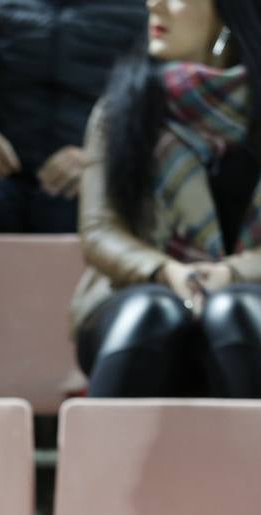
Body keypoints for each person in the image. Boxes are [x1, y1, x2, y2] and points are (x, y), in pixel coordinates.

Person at [73, 0, 261, 398]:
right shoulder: (120, 108)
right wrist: (168, 273)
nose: (153, 4)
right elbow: (99, 231)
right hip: (135, 295)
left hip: (250, 296)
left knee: (237, 311)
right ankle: (100, 461)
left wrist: (231, 274)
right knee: (152, 313)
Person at [0, 0, 144, 235]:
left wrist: (98, 159)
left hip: (87, 176)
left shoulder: (139, 12)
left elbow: (145, 105)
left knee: (96, 208)